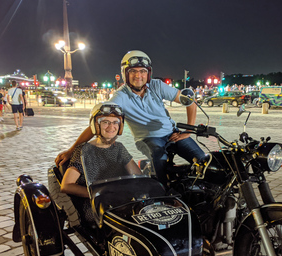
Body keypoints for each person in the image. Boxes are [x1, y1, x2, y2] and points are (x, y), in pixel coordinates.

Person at [56, 50, 205, 187]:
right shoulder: (121, 96)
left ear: (148, 73)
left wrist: (188, 131)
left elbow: (189, 101)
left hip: (174, 133)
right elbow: (98, 122)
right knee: (159, 159)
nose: (138, 76)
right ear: (125, 74)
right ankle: (163, 194)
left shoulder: (157, 86)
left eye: (142, 71)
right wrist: (71, 150)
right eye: (133, 71)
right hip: (148, 138)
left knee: (202, 161)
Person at [60, 102, 142, 225]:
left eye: (115, 122)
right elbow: (66, 185)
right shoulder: (84, 150)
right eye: (105, 122)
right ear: (96, 125)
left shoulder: (119, 148)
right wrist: (99, 194)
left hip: (121, 200)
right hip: (96, 204)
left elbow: (138, 176)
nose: (111, 127)